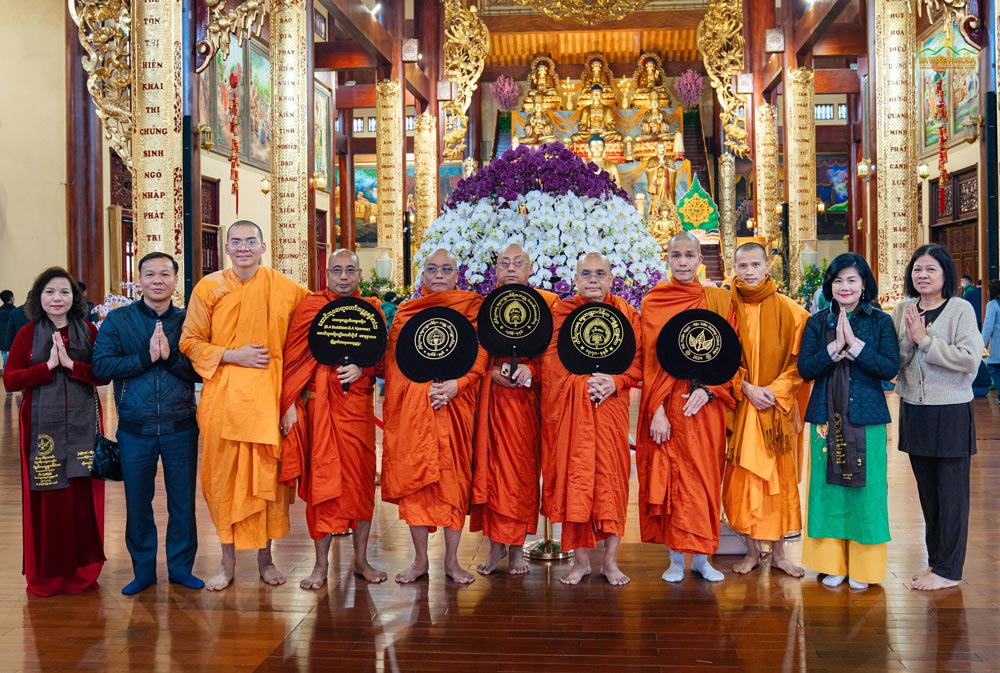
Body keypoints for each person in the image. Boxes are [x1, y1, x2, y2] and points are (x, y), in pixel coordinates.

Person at [180, 220, 308, 591]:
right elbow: (190, 341)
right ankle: (227, 561)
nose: (243, 248)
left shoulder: (283, 288)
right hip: (224, 403)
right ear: (226, 248)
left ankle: (266, 560)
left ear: (263, 246)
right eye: (235, 242)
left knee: (264, 480)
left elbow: (313, 324)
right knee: (224, 483)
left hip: (268, 402)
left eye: (251, 241)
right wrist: (233, 355)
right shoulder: (210, 288)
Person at [92, 252, 203, 595]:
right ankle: (143, 571)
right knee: (137, 503)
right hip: (134, 430)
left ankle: (181, 568)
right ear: (138, 280)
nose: (157, 280)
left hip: (180, 426)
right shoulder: (118, 320)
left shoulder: (189, 321)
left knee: (182, 502)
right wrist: (145, 357)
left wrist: (170, 359)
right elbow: (102, 367)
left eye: (165, 274)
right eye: (150, 274)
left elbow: (201, 370)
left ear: (175, 281)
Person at [279, 249, 388, 588]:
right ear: (326, 274)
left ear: (359, 274)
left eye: (350, 270)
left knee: (360, 487)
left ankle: (361, 560)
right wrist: (288, 406)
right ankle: (320, 565)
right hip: (318, 410)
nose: (343, 276)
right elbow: (293, 361)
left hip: (356, 412)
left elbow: (382, 361)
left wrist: (363, 367)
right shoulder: (310, 309)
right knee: (322, 485)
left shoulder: (371, 312)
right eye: (337, 270)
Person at [381, 248, 489, 584]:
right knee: (418, 487)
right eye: (432, 269)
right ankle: (419, 561)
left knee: (453, 484)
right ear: (422, 276)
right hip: (417, 411)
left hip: (456, 407)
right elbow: (395, 366)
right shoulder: (405, 314)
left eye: (446, 269)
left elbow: (480, 356)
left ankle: (453, 562)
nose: (439, 275)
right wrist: (422, 390)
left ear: (457, 275)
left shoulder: (471, 309)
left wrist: (459, 384)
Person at [3, 267, 108, 596]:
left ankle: (82, 572)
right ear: (38, 298)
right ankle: (47, 575)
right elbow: (11, 380)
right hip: (39, 428)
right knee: (47, 499)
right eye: (49, 292)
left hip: (83, 425)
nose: (57, 298)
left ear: (74, 298)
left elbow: (102, 375)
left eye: (64, 292)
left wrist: (71, 365)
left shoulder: (88, 331)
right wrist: (47, 366)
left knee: (81, 495)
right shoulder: (26, 334)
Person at [636, 232, 735, 583]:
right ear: (667, 259)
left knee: (705, 479)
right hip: (669, 406)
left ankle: (704, 557)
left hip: (705, 408)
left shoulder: (719, 301)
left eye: (688, 255)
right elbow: (648, 362)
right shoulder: (655, 301)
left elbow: (731, 359)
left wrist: (710, 391)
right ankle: (676, 558)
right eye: (675, 255)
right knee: (672, 480)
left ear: (699, 260)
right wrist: (656, 410)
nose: (682, 262)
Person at [539, 252, 642, 586]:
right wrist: (583, 383)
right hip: (574, 414)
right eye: (587, 274)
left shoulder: (626, 315)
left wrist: (615, 381)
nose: (593, 280)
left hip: (610, 411)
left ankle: (610, 562)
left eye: (600, 274)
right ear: (576, 279)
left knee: (611, 484)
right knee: (576, 484)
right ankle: (580, 562)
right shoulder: (561, 314)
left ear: (612, 279)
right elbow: (551, 366)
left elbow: (639, 363)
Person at [797, 253, 899, 590]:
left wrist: (855, 347)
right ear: (830, 285)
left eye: (852, 280)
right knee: (828, 491)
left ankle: (864, 567)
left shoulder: (880, 322)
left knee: (866, 490)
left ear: (864, 284)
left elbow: (889, 368)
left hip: (866, 417)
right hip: (826, 418)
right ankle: (831, 563)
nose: (844, 286)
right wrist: (833, 349)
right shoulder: (816, 323)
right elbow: (806, 369)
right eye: (838, 280)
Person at [892, 244, 981, 591]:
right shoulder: (902, 309)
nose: (922, 275)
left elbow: (970, 359)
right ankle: (936, 564)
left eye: (930, 269)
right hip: (915, 409)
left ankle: (950, 570)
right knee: (928, 495)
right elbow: (895, 360)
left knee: (952, 495)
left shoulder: (959, 309)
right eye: (917, 270)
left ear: (945, 275)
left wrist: (926, 341)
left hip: (951, 411)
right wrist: (909, 343)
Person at [470, 243, 560, 575]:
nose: (511, 268)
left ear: (529, 269)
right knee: (492, 474)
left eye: (518, 263)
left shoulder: (545, 306)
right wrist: (491, 373)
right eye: (504, 263)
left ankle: (517, 549)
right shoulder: (483, 308)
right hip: (492, 402)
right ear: (495, 270)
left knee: (521, 475)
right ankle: (495, 549)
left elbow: (552, 355)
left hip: (525, 404)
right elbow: (474, 352)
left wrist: (532, 372)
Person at [723, 243, 809, 577]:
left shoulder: (791, 311)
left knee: (779, 483)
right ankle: (748, 551)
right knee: (742, 482)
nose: (748, 271)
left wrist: (772, 393)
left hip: (775, 411)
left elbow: (800, 362)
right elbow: (717, 357)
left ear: (767, 265)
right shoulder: (725, 310)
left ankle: (779, 554)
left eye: (754, 264)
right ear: (734, 266)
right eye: (742, 265)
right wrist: (746, 387)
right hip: (742, 406)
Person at [981, 279, 1000, 402]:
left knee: (995, 369)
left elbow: (988, 328)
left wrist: (980, 345)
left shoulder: (993, 304)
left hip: (998, 345)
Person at [1, 289, 14, 371]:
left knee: (5, 362)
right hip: (13, 341)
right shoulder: (16, 312)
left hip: (2, 342)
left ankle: (6, 379)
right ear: (11, 298)